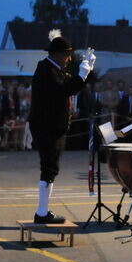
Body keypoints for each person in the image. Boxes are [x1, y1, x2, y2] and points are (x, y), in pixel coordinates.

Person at [29, 30, 95, 223]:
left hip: (51, 126)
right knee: (49, 168)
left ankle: (43, 211)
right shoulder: (46, 70)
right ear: (57, 54)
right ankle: (41, 213)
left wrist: (86, 71)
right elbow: (63, 90)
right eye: (67, 54)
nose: (69, 59)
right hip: (46, 126)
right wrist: (82, 72)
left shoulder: (52, 69)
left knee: (51, 168)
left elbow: (71, 85)